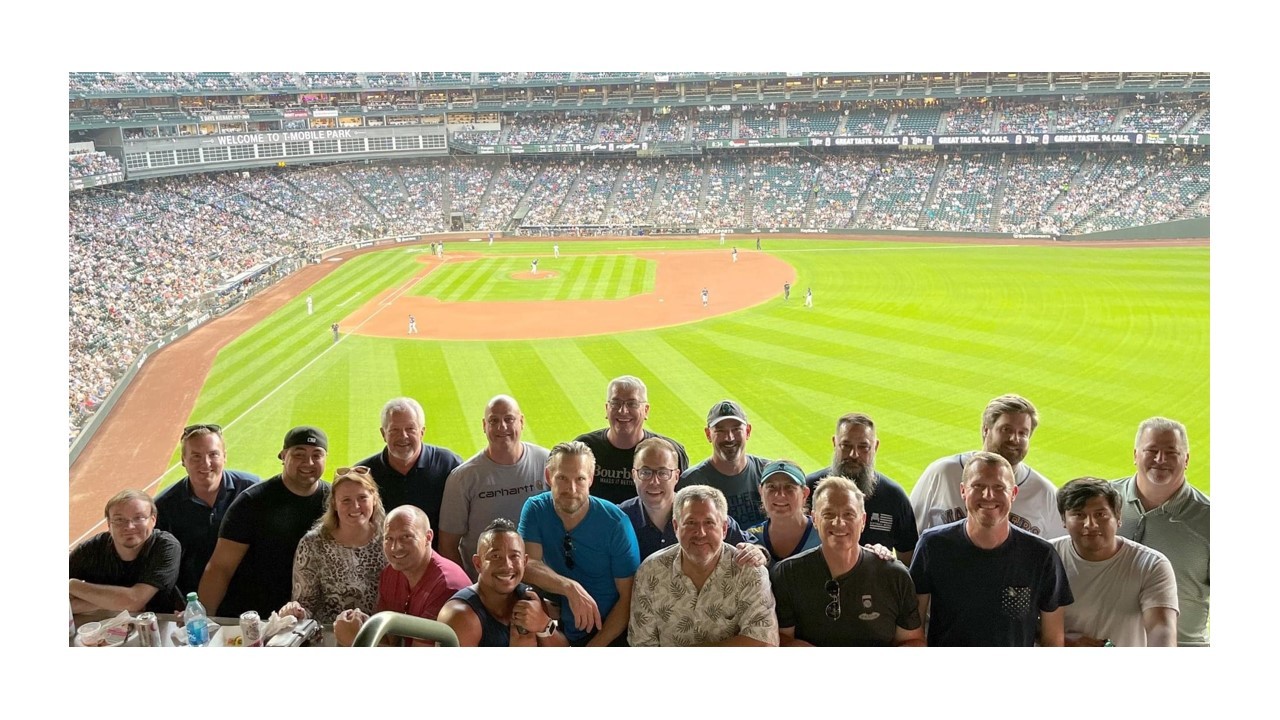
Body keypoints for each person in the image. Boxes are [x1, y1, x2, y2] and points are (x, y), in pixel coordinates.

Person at [909, 451, 1073, 646]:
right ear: (963, 491)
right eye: (978, 486)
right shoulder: (932, 546)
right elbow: (913, 627)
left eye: (999, 487)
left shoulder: (1041, 555)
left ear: (1013, 494)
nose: (988, 496)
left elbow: (1053, 639)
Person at [772, 477, 924, 646]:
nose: (839, 523)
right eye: (828, 514)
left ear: (863, 521)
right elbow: (779, 639)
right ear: (814, 519)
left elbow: (913, 640)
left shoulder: (896, 576)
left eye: (849, 514)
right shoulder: (787, 574)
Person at [198, 426, 332, 617]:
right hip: (257, 616)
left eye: (317, 455)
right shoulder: (251, 502)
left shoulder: (335, 501)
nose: (308, 462)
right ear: (283, 456)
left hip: (311, 615)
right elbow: (220, 568)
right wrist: (205, 620)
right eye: (299, 454)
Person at [518, 442, 641, 646]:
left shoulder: (615, 523)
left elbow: (628, 598)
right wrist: (569, 587)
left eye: (580, 479)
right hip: (561, 627)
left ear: (591, 480)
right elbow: (527, 565)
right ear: (549, 477)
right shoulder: (535, 509)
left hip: (609, 632)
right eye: (562, 478)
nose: (571, 489)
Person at [628, 485, 778, 646]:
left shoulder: (749, 571)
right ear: (676, 527)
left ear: (724, 528)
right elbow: (642, 645)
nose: (700, 533)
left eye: (709, 523)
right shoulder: (650, 571)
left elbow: (764, 643)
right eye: (690, 523)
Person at [910, 393, 1063, 539]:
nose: (1014, 439)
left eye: (1023, 433)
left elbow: (1061, 553)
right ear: (985, 430)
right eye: (1006, 430)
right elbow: (909, 536)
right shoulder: (943, 473)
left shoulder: (1045, 493)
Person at [1113, 416, 1209, 646]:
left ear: (1186, 459)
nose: (1160, 459)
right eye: (1151, 450)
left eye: (1171, 452)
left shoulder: (1210, 519)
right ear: (1135, 455)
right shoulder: (1100, 502)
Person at [1051, 477, 1178, 647]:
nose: (1091, 524)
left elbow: (1161, 628)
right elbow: (1024, 622)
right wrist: (1066, 643)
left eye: (1100, 514)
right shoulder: (1046, 558)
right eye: (1078, 515)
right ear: (1064, 521)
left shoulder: (1151, 565)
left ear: (1118, 518)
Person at [438, 395, 550, 579]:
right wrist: (470, 590)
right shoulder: (463, 478)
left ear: (521, 422)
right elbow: (447, 546)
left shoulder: (547, 463)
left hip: (539, 584)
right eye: (494, 421)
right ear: (484, 425)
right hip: (485, 590)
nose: (502, 427)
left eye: (509, 419)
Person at [331, 505, 472, 646]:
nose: (395, 547)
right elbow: (390, 640)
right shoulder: (391, 573)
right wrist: (367, 626)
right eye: (389, 538)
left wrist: (356, 641)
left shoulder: (446, 586)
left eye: (406, 537)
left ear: (428, 537)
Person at [154, 423, 260, 596]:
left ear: (224, 456)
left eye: (213, 454)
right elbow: (160, 565)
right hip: (197, 602)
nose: (206, 463)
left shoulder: (252, 488)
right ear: (183, 460)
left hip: (253, 594)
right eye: (196, 456)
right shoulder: (164, 506)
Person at [619, 437, 763, 563]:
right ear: (634, 475)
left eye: (663, 473)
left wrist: (757, 552)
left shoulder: (704, 511)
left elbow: (753, 546)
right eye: (645, 472)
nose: (654, 481)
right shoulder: (618, 518)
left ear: (676, 476)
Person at [804, 413, 917, 564]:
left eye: (863, 447)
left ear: (875, 446)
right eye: (846, 446)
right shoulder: (808, 490)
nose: (854, 454)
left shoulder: (894, 497)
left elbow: (909, 563)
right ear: (834, 443)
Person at [281, 466, 388, 625]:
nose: (356, 506)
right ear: (334, 503)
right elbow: (306, 605)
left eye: (362, 498)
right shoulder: (312, 544)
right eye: (346, 500)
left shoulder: (390, 539)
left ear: (374, 498)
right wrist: (295, 611)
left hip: (380, 636)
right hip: (329, 637)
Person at [437, 519, 569, 646]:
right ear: (478, 564)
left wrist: (543, 625)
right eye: (495, 556)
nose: (507, 565)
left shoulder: (529, 597)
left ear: (524, 562)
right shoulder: (461, 616)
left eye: (514, 556)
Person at [356, 397, 463, 550]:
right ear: (383, 433)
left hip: (437, 562)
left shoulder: (449, 464)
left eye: (410, 429)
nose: (403, 436)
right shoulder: (364, 475)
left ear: (422, 432)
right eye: (394, 430)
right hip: (384, 565)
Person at [574, 375, 689, 505]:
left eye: (632, 404)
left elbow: (683, 502)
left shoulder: (670, 451)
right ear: (607, 408)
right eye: (615, 403)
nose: (623, 410)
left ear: (646, 410)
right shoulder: (584, 448)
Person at [69, 489, 181, 614]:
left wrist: (73, 586)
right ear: (108, 524)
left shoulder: (165, 546)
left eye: (138, 518)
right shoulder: (90, 550)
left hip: (161, 626)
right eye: (119, 520)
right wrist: (111, 604)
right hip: (106, 628)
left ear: (153, 520)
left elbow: (134, 601)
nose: (129, 527)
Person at [678, 399, 770, 527]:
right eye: (720, 431)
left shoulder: (769, 474)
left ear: (748, 431)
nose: (729, 438)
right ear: (708, 434)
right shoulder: (690, 482)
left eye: (736, 429)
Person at [747, 460, 821, 564]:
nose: (780, 495)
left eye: (789, 487)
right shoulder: (751, 538)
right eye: (772, 487)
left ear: (804, 493)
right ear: (761, 492)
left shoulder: (822, 535)